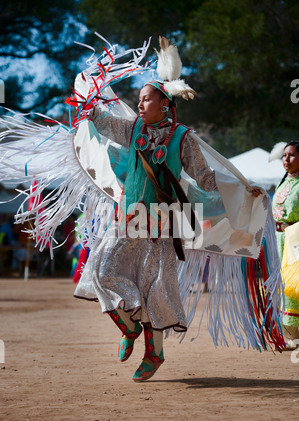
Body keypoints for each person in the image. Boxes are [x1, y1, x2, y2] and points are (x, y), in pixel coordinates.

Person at [0, 35, 284, 382]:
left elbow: (207, 179)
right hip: (130, 217)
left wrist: (245, 191)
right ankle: (130, 324)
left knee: (156, 286)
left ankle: (155, 352)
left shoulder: (183, 139)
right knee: (101, 269)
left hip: (163, 224)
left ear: (164, 103)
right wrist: (89, 103)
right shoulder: (133, 129)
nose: (139, 104)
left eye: (146, 99)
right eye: (138, 99)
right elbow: (103, 123)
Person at [271, 141, 299, 349]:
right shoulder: (284, 182)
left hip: (296, 240)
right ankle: (290, 335)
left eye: (291, 155)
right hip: (281, 240)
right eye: (284, 156)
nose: (286, 160)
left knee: (294, 286)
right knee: (285, 286)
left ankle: (294, 336)